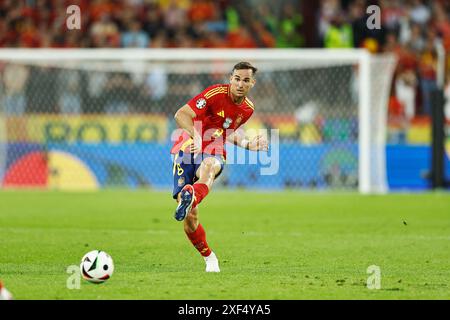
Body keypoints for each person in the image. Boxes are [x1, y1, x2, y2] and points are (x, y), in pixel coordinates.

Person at [170, 62, 268, 272]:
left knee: (209, 166)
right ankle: (209, 257)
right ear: (230, 78)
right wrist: (195, 133)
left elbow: (228, 130)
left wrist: (247, 144)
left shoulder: (247, 109)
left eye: (246, 80)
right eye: (237, 79)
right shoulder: (215, 93)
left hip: (213, 149)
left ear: (253, 83)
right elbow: (181, 114)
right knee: (190, 218)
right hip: (186, 148)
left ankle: (192, 196)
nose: (240, 84)